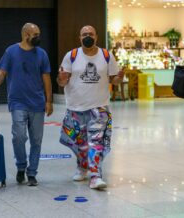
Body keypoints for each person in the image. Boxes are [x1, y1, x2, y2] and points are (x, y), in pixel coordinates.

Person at [57, 25, 123, 190]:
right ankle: (82, 167)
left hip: (99, 108)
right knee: (80, 143)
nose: (88, 36)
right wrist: (61, 78)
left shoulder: (106, 56)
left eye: (91, 34)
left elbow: (114, 80)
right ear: (80, 37)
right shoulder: (71, 56)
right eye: (84, 34)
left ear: (96, 36)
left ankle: (95, 176)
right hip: (75, 108)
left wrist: (119, 79)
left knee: (96, 142)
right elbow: (62, 82)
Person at [0, 23, 53, 186]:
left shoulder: (42, 54)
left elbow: (46, 78)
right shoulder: (11, 51)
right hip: (17, 101)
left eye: (39, 34)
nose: (38, 37)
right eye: (35, 34)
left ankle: (32, 173)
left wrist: (49, 100)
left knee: (36, 140)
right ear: (26, 34)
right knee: (19, 136)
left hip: (37, 102)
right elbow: (2, 72)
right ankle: (21, 166)